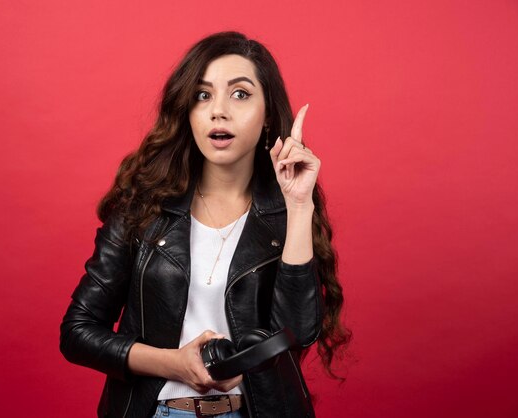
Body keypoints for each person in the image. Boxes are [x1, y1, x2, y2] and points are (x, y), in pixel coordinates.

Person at [60, 31, 351, 418]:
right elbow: (78, 332)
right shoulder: (142, 207)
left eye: (240, 94)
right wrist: (173, 363)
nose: (219, 111)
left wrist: (298, 207)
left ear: (267, 118)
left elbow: (296, 335)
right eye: (202, 95)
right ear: (188, 113)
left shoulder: (288, 210)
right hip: (159, 411)